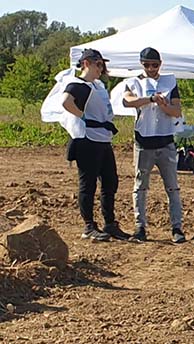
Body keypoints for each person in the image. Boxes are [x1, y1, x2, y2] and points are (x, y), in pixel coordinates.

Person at [57, 49, 131, 242]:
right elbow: (66, 102)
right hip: (87, 140)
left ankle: (110, 224)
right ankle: (89, 226)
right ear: (87, 63)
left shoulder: (97, 85)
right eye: (98, 64)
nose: (102, 68)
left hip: (102, 139)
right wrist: (83, 117)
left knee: (110, 182)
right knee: (88, 184)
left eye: (102, 65)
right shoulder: (78, 85)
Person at [121, 47, 186, 243]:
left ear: (160, 64)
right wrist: (150, 99)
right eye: (147, 65)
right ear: (141, 64)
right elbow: (128, 101)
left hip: (166, 141)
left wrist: (164, 105)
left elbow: (177, 111)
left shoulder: (170, 81)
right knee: (140, 186)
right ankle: (140, 227)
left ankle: (177, 227)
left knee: (172, 187)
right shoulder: (133, 82)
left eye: (155, 65)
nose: (151, 69)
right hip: (143, 142)